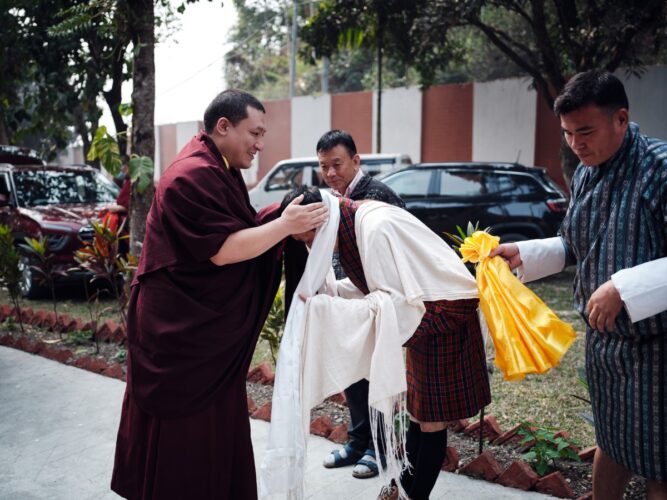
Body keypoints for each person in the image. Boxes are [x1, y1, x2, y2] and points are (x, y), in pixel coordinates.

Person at [110, 89, 328, 500]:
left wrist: (281, 218)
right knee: (185, 435)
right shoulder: (189, 176)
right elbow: (222, 250)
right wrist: (283, 225)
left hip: (202, 333)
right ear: (223, 126)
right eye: (256, 132)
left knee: (217, 426)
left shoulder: (219, 168)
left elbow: (236, 227)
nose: (261, 144)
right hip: (179, 335)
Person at [490, 70, 667, 499]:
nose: (576, 144)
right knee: (612, 441)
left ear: (621, 119)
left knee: (659, 459)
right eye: (568, 134)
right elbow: (575, 242)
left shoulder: (659, 168)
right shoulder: (586, 171)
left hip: (657, 347)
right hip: (604, 343)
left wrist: (624, 288)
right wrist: (524, 254)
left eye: (585, 131)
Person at [282, 186, 491, 500]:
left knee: (431, 420)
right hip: (423, 312)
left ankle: (413, 495)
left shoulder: (373, 227)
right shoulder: (350, 220)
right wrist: (335, 294)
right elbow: (382, 289)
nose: (310, 246)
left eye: (308, 237)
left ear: (320, 219)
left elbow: (389, 302)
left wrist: (331, 307)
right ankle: (403, 490)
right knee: (420, 414)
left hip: (444, 311)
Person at [315, 130, 405, 479]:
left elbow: (392, 253)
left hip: (377, 301)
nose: (331, 173)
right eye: (324, 167)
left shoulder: (377, 196)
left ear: (356, 161)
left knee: (375, 372)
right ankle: (357, 442)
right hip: (348, 301)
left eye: (337, 164)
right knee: (354, 372)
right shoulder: (333, 199)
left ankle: (379, 449)